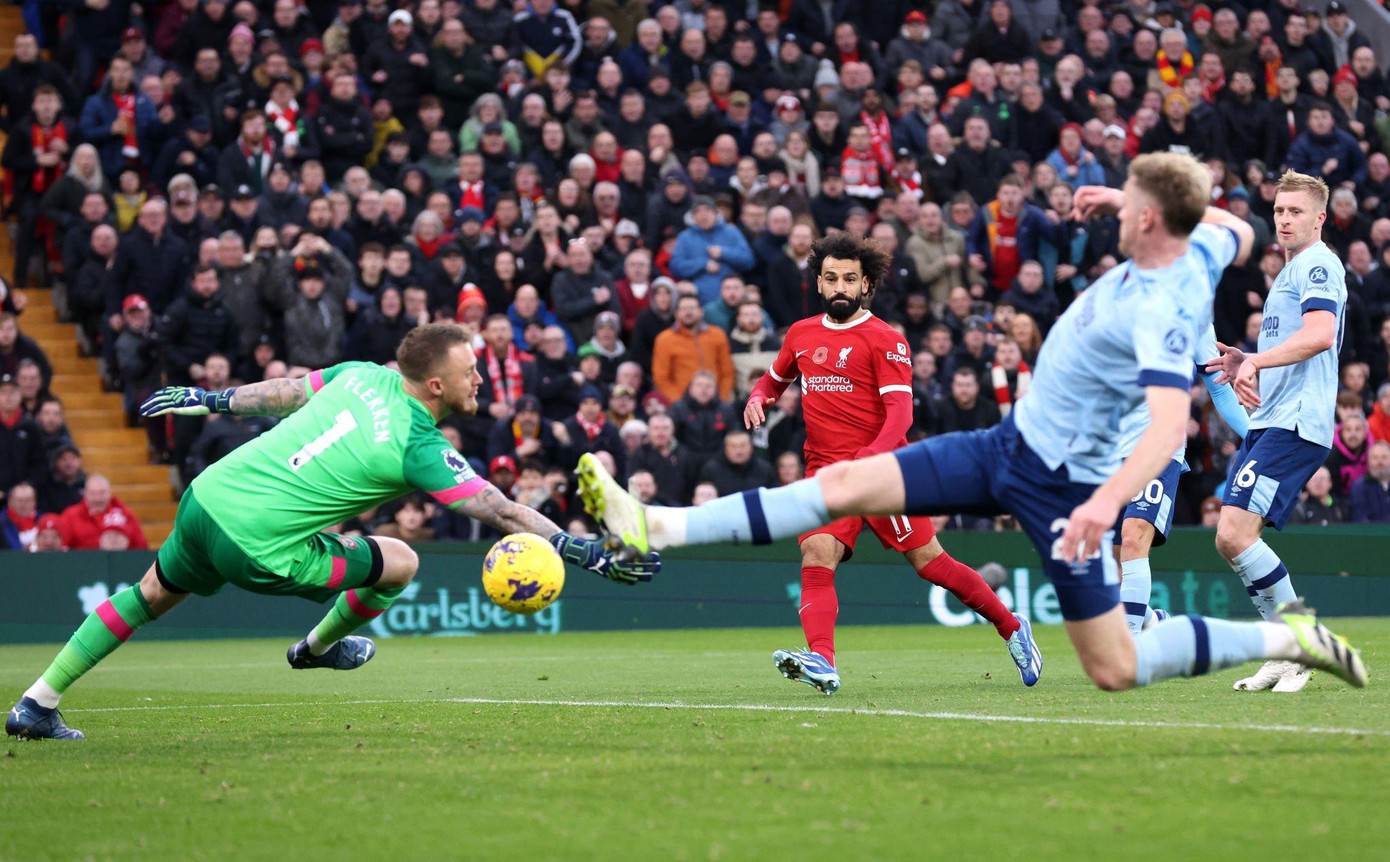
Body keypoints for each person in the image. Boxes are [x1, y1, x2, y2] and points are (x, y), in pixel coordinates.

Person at [577, 155, 1368, 698]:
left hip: (1063, 487)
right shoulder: (1206, 246)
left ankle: (1283, 640)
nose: (1114, 216)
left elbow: (1168, 426)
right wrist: (1138, 198)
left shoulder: (1166, 307)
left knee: (1115, 666)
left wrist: (1106, 502)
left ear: (1153, 220)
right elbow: (1233, 225)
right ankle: (656, 523)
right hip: (1003, 446)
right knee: (840, 484)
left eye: (1130, 207)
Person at [7, 324, 658, 740]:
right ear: (436, 384)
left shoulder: (359, 374)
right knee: (400, 562)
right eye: (469, 373)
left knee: (150, 594)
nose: (480, 380)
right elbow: (503, 511)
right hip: (258, 546)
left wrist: (213, 399)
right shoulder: (418, 443)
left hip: (208, 499)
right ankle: (317, 648)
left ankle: (36, 702)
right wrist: (582, 551)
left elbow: (288, 390)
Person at [739, 234, 1037, 694]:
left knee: (932, 564)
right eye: (832, 278)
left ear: (867, 285)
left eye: (850, 279)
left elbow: (901, 415)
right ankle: (822, 659)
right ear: (819, 283)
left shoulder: (886, 340)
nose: (840, 286)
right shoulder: (800, 334)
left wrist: (869, 458)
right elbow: (774, 380)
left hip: (881, 473)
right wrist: (759, 397)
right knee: (816, 552)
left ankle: (1012, 627)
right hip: (826, 473)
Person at [1205, 171, 1349, 694]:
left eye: (1295, 212)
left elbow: (1319, 335)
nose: (1284, 219)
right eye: (1279, 210)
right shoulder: (1290, 270)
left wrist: (1257, 362)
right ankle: (1284, 648)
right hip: (1271, 421)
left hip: (1295, 421)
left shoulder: (1317, 265)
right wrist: (1249, 358)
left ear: (1319, 218)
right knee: (1233, 539)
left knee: (1233, 534)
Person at [1111, 323, 1249, 637]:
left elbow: (1219, 389)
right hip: (1107, 450)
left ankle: (1129, 648)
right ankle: (1150, 620)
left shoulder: (1196, 315)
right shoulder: (1110, 301)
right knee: (1111, 562)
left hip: (1159, 446)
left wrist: (1257, 439)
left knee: (1134, 536)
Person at [1349, 440, 1390, 522]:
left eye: (1384, 457)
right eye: (1375, 458)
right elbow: (1360, 519)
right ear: (1368, 461)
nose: (1379, 462)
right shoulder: (1359, 487)